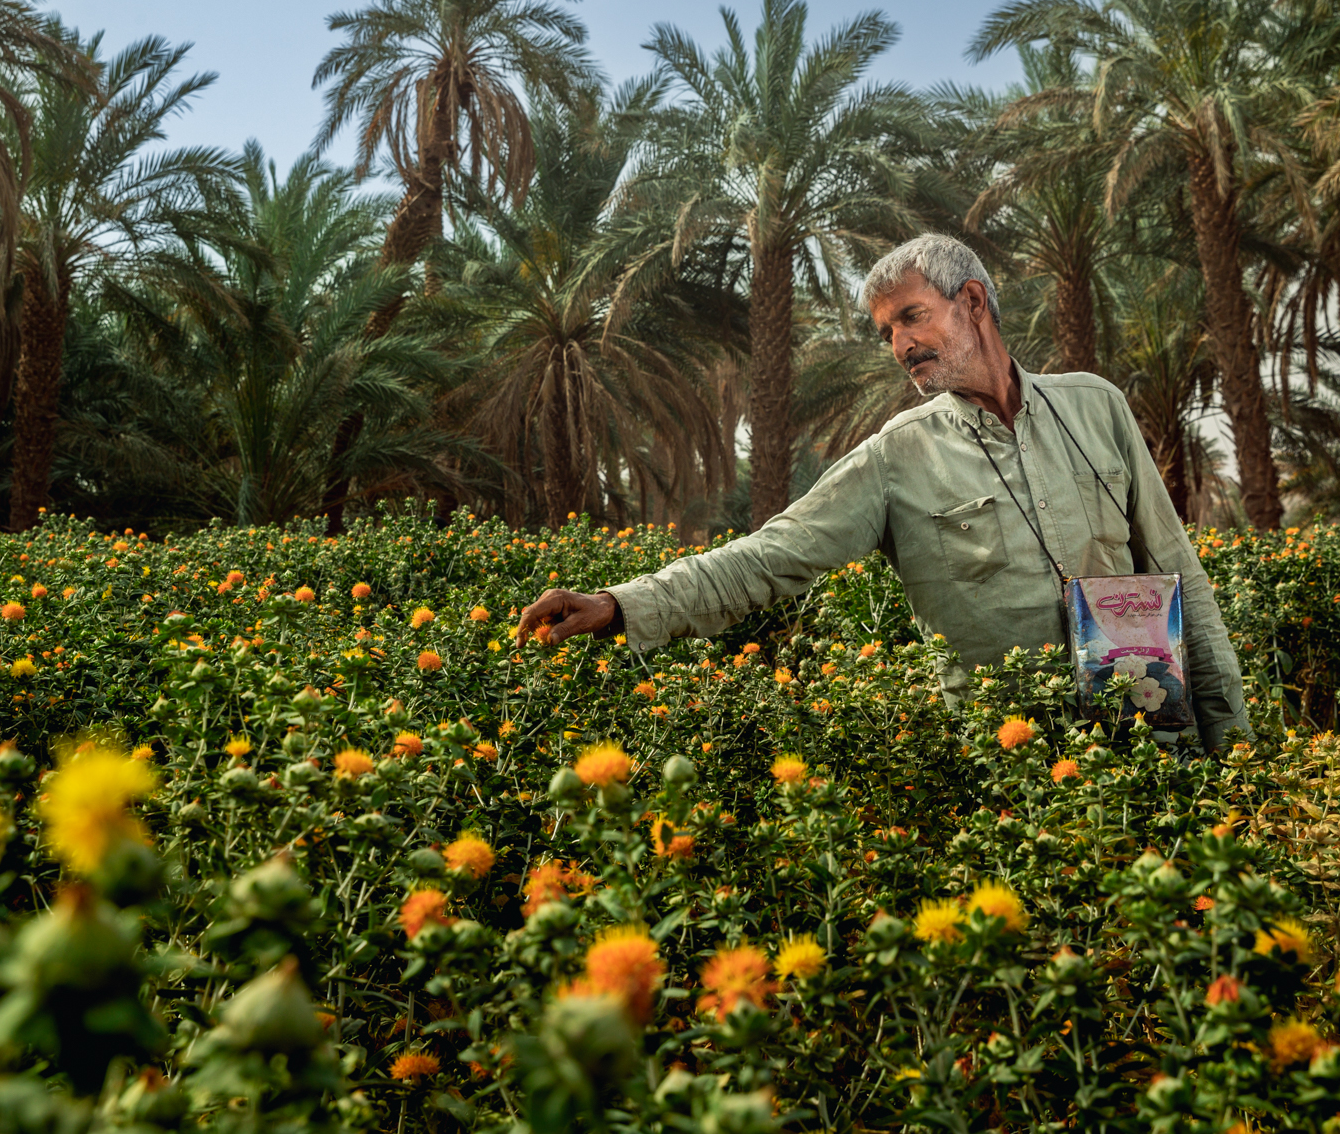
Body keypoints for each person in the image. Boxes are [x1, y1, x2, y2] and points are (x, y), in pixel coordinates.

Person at [516, 234, 1251, 754]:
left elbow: (1183, 579)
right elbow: (771, 556)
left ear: (972, 301)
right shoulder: (896, 456)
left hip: (1150, 738)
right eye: (885, 332)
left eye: (911, 317)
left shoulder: (1096, 405)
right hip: (1017, 770)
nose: (899, 345)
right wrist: (622, 603)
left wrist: (1236, 750)